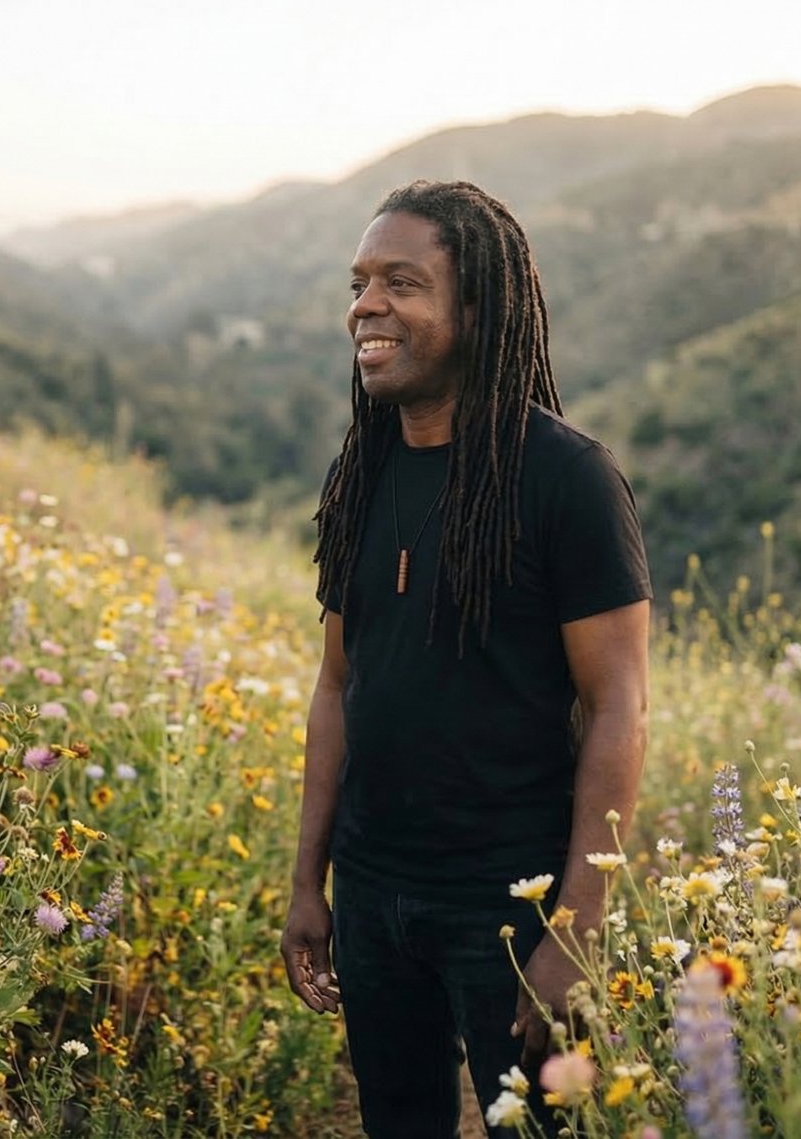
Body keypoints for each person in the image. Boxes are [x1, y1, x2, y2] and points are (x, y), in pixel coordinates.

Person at [280, 180, 651, 1138]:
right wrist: (309, 881)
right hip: (373, 892)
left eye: (402, 283)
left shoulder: (566, 478)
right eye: (360, 284)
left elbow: (618, 708)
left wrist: (574, 926)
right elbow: (336, 686)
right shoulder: (360, 473)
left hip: (511, 903)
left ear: (477, 308)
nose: (367, 306)